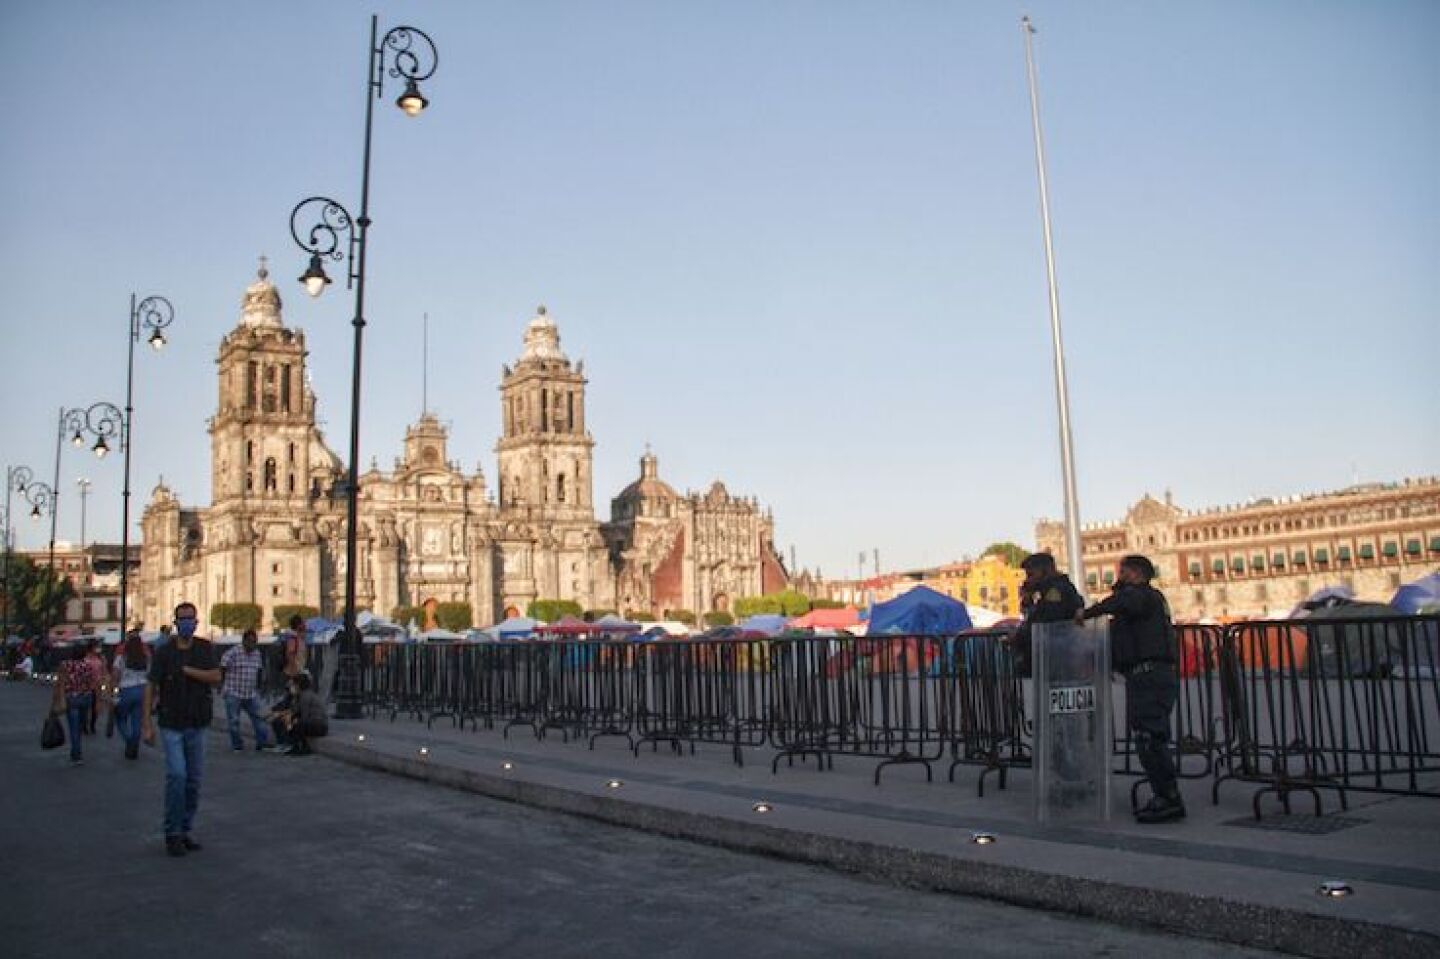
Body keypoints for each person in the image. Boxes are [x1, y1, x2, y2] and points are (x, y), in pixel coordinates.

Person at [1076, 554, 1183, 824]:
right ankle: (1164, 794)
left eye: (1123, 573)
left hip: (1151, 676)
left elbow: (1124, 602)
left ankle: (1169, 798)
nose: (1119, 578)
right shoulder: (1140, 603)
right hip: (1144, 676)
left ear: (1135, 574)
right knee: (1147, 737)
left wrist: (1087, 613)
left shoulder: (1142, 597)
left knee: (1150, 737)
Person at [142, 601, 222, 857]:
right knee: (177, 776)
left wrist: (188, 671)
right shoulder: (164, 652)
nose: (187, 623)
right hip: (171, 722)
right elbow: (151, 685)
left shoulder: (204, 648)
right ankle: (173, 832)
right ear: (176, 622)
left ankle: (185, 828)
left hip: (197, 722)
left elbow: (216, 676)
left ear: (196, 622)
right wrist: (146, 723)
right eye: (183, 618)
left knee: (193, 781)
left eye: (191, 618)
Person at [1012, 552, 1083, 677]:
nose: (1027, 580)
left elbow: (1045, 621)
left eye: (1031, 575)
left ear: (1045, 571)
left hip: (1055, 660)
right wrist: (1027, 601)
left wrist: (1019, 637)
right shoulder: (1050, 591)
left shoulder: (1055, 591)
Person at [221, 629, 276, 752]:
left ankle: (262, 742)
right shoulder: (233, 652)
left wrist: (260, 686)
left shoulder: (257, 654)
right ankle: (237, 745)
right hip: (233, 691)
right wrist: (221, 684)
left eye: (255, 642)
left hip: (250, 692)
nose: (252, 645)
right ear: (244, 641)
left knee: (259, 717)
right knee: (234, 720)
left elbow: (259, 670)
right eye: (250, 641)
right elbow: (223, 667)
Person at [50, 639, 102, 765]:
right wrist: (97, 700)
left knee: (74, 727)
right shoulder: (88, 665)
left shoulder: (65, 665)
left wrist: (57, 699)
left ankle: (77, 755)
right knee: (80, 724)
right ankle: (77, 749)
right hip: (86, 698)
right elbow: (93, 684)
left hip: (72, 698)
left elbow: (60, 683)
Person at [112, 630, 151, 760]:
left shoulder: (122, 657)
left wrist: (113, 690)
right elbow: (150, 674)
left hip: (126, 689)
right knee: (137, 720)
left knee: (120, 718)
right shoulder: (145, 658)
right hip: (142, 689)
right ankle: (134, 742)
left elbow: (115, 675)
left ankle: (129, 740)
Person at [270, 672, 328, 755]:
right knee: (288, 722)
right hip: (314, 723)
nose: (291, 687)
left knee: (295, 725)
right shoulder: (301, 695)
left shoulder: (305, 696)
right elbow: (294, 710)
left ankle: (301, 748)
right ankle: (292, 746)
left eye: (293, 684)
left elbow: (304, 716)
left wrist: (292, 720)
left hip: (318, 725)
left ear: (298, 685)